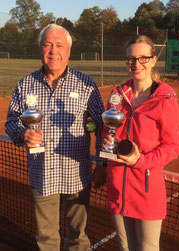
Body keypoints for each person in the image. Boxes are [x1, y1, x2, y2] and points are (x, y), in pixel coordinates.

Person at [5, 23, 106, 251]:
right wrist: (23, 133)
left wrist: (102, 163)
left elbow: (103, 125)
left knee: (78, 237)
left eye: (59, 45)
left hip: (77, 176)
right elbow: (11, 121)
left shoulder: (86, 84)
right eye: (47, 45)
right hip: (42, 173)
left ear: (69, 51)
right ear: (40, 49)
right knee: (46, 238)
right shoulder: (25, 84)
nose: (53, 51)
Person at [101, 35, 179, 251]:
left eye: (143, 58)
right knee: (125, 247)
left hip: (147, 188)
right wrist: (107, 142)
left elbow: (173, 146)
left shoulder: (165, 98)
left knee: (147, 248)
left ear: (153, 60)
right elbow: (106, 131)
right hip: (118, 186)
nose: (136, 64)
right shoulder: (117, 95)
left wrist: (141, 160)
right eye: (131, 59)